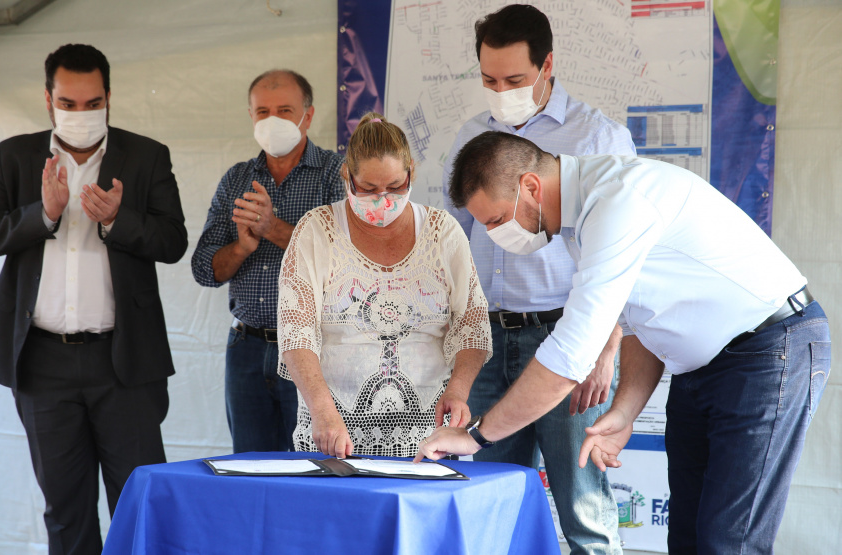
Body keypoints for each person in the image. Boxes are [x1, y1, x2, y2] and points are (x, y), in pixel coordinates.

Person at [419, 131, 830, 555]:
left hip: (767, 350)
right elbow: (638, 323)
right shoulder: (580, 221)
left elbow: (569, 357)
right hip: (702, 369)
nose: (492, 235)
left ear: (531, 187)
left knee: (727, 542)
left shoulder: (616, 202)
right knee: (687, 538)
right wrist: (625, 411)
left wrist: (476, 436)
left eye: (496, 220)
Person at [0, 44, 187, 553]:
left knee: (139, 505)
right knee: (65, 513)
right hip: (42, 362)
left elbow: (173, 242)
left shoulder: (146, 155)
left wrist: (117, 220)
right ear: (48, 100)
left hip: (124, 362)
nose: (81, 114)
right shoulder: (14, 156)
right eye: (68, 103)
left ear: (109, 97)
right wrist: (42, 214)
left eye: (93, 103)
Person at [441, 5, 634, 553]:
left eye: (514, 80)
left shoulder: (598, 137)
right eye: (489, 81)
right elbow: (452, 242)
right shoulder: (472, 135)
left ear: (547, 65)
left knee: (583, 506)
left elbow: (622, 263)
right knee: (487, 501)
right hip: (486, 339)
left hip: (568, 337)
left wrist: (607, 345)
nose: (500, 93)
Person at [277, 113, 492, 458]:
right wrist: (321, 410)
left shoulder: (443, 231)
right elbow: (296, 332)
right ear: (347, 176)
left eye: (394, 187)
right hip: (334, 431)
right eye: (368, 189)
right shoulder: (316, 230)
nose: (382, 199)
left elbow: (472, 323)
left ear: (411, 173)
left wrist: (459, 389)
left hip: (429, 436)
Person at [191, 69, 344, 452]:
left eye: (284, 110)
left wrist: (272, 227)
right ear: (251, 116)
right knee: (249, 468)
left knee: (316, 465)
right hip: (247, 347)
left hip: (315, 347)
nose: (272, 120)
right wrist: (242, 247)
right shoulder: (236, 178)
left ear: (308, 115)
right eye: (262, 112)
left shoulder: (335, 173)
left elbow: (346, 262)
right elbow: (205, 269)